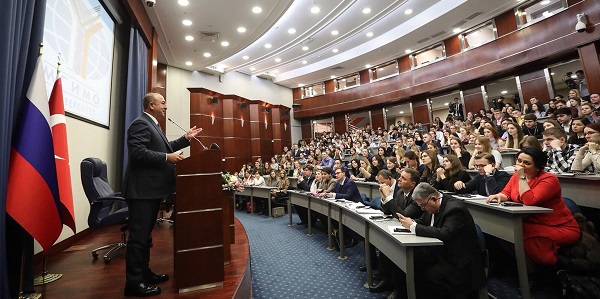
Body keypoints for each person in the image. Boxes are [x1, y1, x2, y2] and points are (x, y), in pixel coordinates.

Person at [123, 93, 202, 297]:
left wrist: (185, 140)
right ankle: (133, 283)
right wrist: (167, 157)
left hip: (151, 191)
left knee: (145, 237)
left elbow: (164, 149)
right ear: (151, 105)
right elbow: (137, 153)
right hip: (142, 191)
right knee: (138, 238)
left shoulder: (154, 125)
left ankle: (145, 274)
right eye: (163, 103)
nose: (166, 106)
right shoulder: (140, 124)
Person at [487, 148, 580, 269]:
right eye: (519, 161)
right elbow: (507, 193)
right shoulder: (516, 176)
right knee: (503, 229)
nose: (521, 165)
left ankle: (541, 271)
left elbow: (529, 200)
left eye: (527, 163)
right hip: (532, 223)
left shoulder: (549, 179)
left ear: (538, 167)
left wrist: (521, 177)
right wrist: (499, 196)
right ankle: (526, 271)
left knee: (516, 232)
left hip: (558, 226)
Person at [396, 183, 486, 298]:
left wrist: (414, 227)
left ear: (433, 199)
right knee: (412, 260)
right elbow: (424, 222)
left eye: (423, 206)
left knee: (428, 273)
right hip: (443, 252)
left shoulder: (455, 209)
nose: (423, 209)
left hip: (459, 261)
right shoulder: (432, 206)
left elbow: (445, 233)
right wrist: (411, 222)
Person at [370, 169, 423, 294]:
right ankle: (386, 279)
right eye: (400, 177)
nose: (399, 179)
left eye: (404, 178)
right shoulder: (400, 192)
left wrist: (388, 197)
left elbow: (403, 215)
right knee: (384, 243)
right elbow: (388, 211)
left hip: (414, 234)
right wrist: (384, 197)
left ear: (413, 184)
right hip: (400, 229)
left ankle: (399, 289)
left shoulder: (417, 196)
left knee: (395, 251)